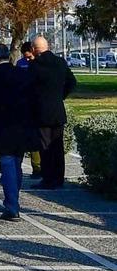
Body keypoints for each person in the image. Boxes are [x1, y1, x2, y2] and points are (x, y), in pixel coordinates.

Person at [0, 44, 39, 221]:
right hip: (21, 125)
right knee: (17, 163)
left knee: (6, 165)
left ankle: (12, 205)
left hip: (1, 127)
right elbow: (33, 99)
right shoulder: (23, 74)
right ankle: (14, 198)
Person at [29, 36, 77, 189]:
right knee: (57, 146)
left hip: (41, 111)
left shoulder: (35, 65)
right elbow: (72, 82)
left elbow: (29, 88)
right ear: (47, 46)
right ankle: (59, 177)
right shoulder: (60, 62)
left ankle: (48, 178)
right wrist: (60, 96)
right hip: (57, 109)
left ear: (34, 49)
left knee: (45, 145)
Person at [16, 41, 41, 179]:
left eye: (29, 57)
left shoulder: (38, 65)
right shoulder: (20, 64)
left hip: (36, 105)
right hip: (23, 104)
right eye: (25, 57)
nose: (27, 59)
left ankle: (38, 167)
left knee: (36, 139)